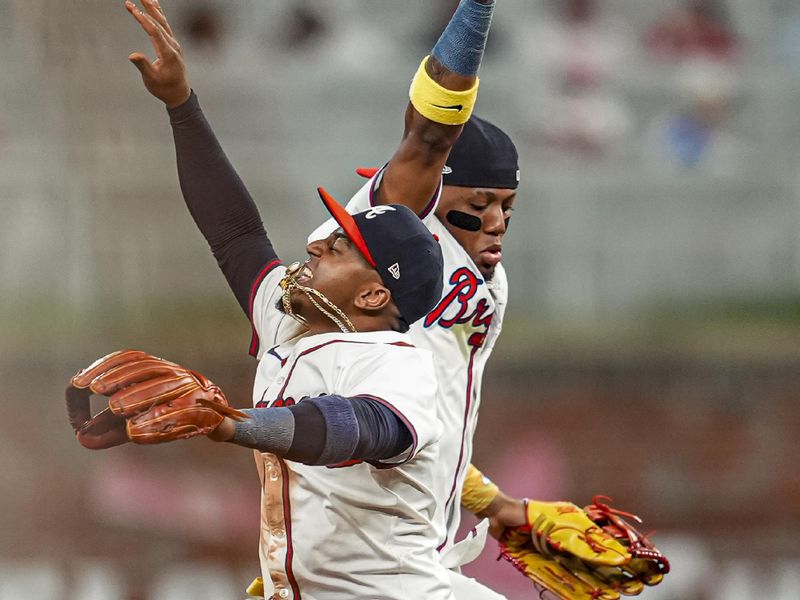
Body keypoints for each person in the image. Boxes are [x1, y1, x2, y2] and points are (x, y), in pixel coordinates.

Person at [123, 0, 499, 598]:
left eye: (342, 248)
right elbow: (235, 233)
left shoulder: (396, 362)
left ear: (376, 293)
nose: (317, 246)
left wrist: (239, 426)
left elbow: (363, 426)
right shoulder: (289, 316)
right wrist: (180, 105)